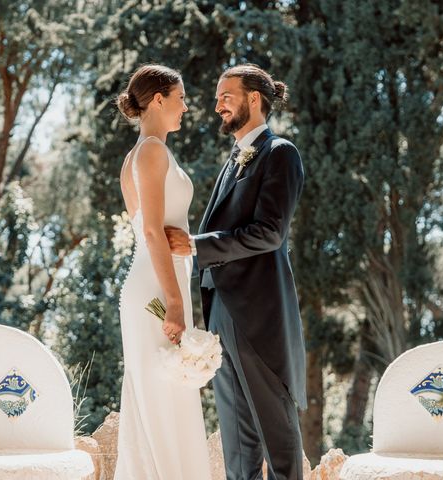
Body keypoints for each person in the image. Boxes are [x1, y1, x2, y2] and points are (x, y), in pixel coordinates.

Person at [166, 64, 307, 480]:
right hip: (221, 314)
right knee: (238, 444)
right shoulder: (233, 160)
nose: (216, 106)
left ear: (254, 99)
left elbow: (270, 233)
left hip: (259, 319)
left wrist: (198, 245)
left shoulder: (280, 153)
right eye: (216, 98)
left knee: (277, 441)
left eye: (226, 96)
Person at [114, 64, 211, 480]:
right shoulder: (151, 151)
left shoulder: (142, 154)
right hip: (157, 290)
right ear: (158, 99)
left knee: (168, 401)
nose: (185, 107)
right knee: (161, 403)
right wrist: (174, 301)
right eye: (181, 98)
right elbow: (152, 230)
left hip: (159, 282)